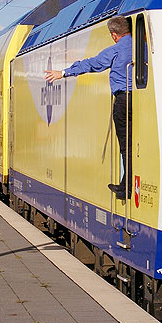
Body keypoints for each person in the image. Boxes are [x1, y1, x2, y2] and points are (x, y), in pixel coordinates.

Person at [45, 16, 132, 200]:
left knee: (125, 145)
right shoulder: (143, 45)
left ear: (114, 35)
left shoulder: (117, 49)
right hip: (142, 99)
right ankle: (127, 183)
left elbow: (93, 64)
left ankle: (127, 186)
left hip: (123, 100)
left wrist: (63, 73)